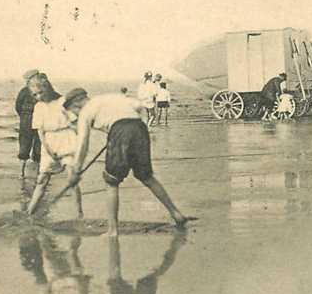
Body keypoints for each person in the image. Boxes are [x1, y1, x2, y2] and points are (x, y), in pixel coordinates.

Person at [64, 88, 187, 237]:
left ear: (77, 104)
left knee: (111, 181)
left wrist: (76, 170)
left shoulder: (85, 112)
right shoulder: (109, 96)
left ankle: (112, 230)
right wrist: (124, 127)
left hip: (120, 132)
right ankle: (176, 213)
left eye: (73, 112)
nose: (76, 115)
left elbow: (83, 144)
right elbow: (138, 105)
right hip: (139, 128)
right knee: (146, 177)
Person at [26, 74, 84, 219]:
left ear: (47, 88)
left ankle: (79, 214)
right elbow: (39, 131)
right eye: (35, 94)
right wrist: (48, 149)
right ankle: (29, 213)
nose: (38, 96)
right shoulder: (38, 107)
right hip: (49, 141)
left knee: (72, 178)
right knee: (42, 180)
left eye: (41, 92)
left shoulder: (61, 102)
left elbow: (74, 121)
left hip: (67, 139)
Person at [15, 69, 42, 178]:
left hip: (26, 119)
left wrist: (23, 116)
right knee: (38, 144)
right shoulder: (41, 90)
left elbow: (18, 106)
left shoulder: (24, 91)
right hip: (36, 119)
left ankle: (22, 173)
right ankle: (37, 173)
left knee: (25, 144)